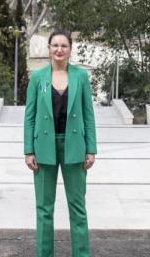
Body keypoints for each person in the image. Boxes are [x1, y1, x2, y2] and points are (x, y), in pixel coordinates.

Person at [23, 30, 96, 257]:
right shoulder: (37, 77)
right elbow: (30, 116)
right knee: (44, 209)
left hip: (74, 146)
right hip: (44, 148)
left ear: (70, 49)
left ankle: (82, 254)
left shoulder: (81, 77)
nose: (59, 49)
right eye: (55, 45)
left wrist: (91, 149)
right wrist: (28, 150)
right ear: (48, 48)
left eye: (64, 45)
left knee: (78, 208)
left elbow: (88, 114)